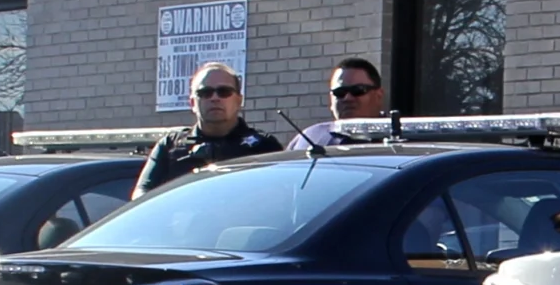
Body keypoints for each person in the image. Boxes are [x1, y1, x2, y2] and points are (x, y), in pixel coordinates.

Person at [135, 62, 281, 197]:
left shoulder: (264, 148)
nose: (215, 98)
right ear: (192, 102)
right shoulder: (170, 147)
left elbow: (283, 198)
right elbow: (141, 197)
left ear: (238, 100)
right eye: (205, 92)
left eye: (224, 92)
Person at [285, 57, 386, 151]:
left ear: (379, 95)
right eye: (340, 92)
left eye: (358, 90)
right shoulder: (309, 138)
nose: (347, 98)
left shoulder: (397, 141)